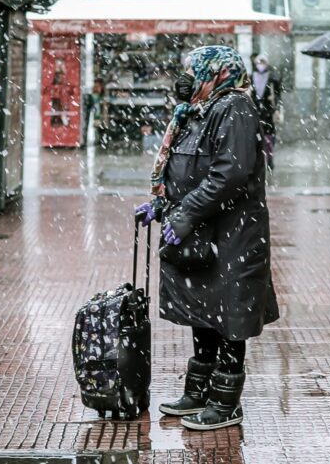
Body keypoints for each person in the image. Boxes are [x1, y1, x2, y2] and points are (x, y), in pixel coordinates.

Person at [135, 46, 279, 431]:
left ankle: (226, 402)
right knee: (205, 311)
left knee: (230, 314)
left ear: (215, 73)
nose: (185, 78)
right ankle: (198, 393)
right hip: (206, 232)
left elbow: (229, 174)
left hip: (233, 234)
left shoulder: (234, 107)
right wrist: (162, 205)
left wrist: (185, 214)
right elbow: (187, 169)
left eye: (192, 70)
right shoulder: (197, 110)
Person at [250, 54, 282, 171]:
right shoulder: (251, 77)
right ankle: (258, 159)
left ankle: (269, 159)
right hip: (255, 112)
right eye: (259, 62)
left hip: (268, 112)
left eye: (263, 62)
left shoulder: (272, 78)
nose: (260, 65)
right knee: (256, 136)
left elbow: (278, 96)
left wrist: (276, 108)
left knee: (269, 137)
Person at [82, 77, 105, 147]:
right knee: (91, 123)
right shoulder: (94, 92)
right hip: (94, 108)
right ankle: (87, 139)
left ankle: (97, 140)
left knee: (96, 124)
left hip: (96, 110)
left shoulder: (98, 93)